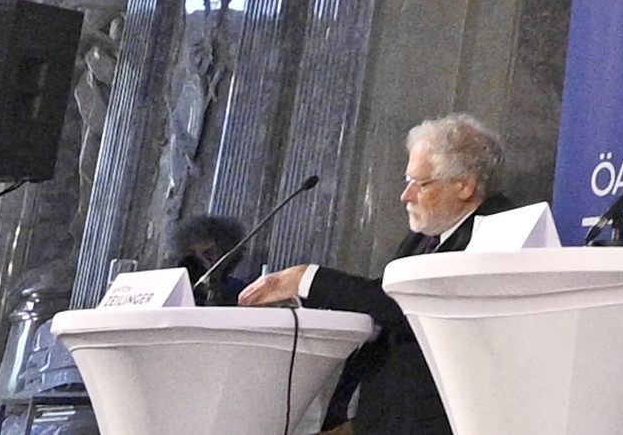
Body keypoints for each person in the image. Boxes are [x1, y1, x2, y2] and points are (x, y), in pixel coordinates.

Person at [242, 113, 510, 435]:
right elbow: (383, 304)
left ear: (464, 185)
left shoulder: (499, 230)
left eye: (419, 183)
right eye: (407, 181)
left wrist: (307, 279)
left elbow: (410, 306)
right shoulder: (427, 234)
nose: (405, 195)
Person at [170, 212, 251, 308]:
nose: (208, 259)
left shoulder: (239, 291)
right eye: (205, 253)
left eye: (211, 252)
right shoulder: (178, 290)